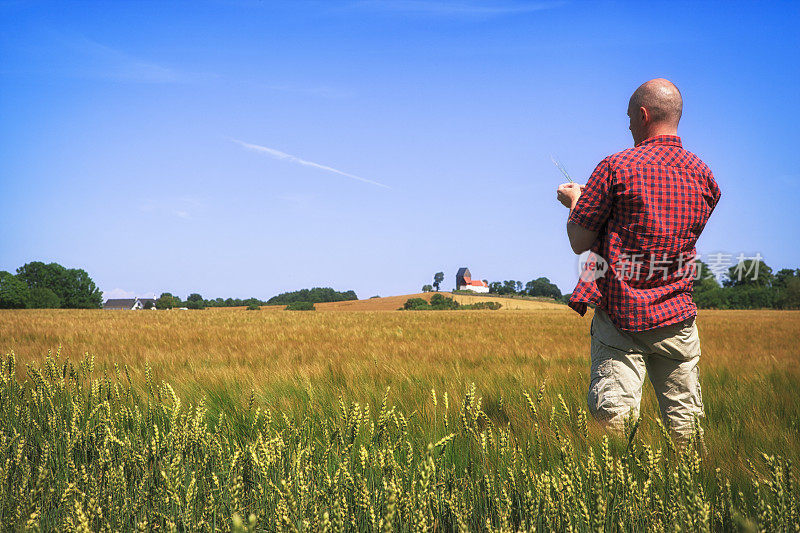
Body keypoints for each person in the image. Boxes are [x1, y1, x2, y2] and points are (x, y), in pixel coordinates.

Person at [556, 78, 721, 438]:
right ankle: (690, 489)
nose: (628, 124)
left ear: (643, 114)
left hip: (620, 315)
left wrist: (576, 203)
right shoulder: (705, 176)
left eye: (630, 116)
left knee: (613, 425)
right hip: (677, 315)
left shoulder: (615, 167)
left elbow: (579, 240)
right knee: (686, 426)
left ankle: (614, 492)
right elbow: (667, 239)